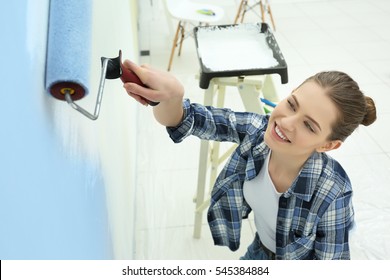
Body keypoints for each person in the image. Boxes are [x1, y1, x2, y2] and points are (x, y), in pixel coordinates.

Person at [122, 60, 377, 260]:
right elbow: (187, 119)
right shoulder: (257, 133)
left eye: (308, 126)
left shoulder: (333, 192)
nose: (285, 123)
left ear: (328, 145)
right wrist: (172, 97)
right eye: (291, 104)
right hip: (260, 251)